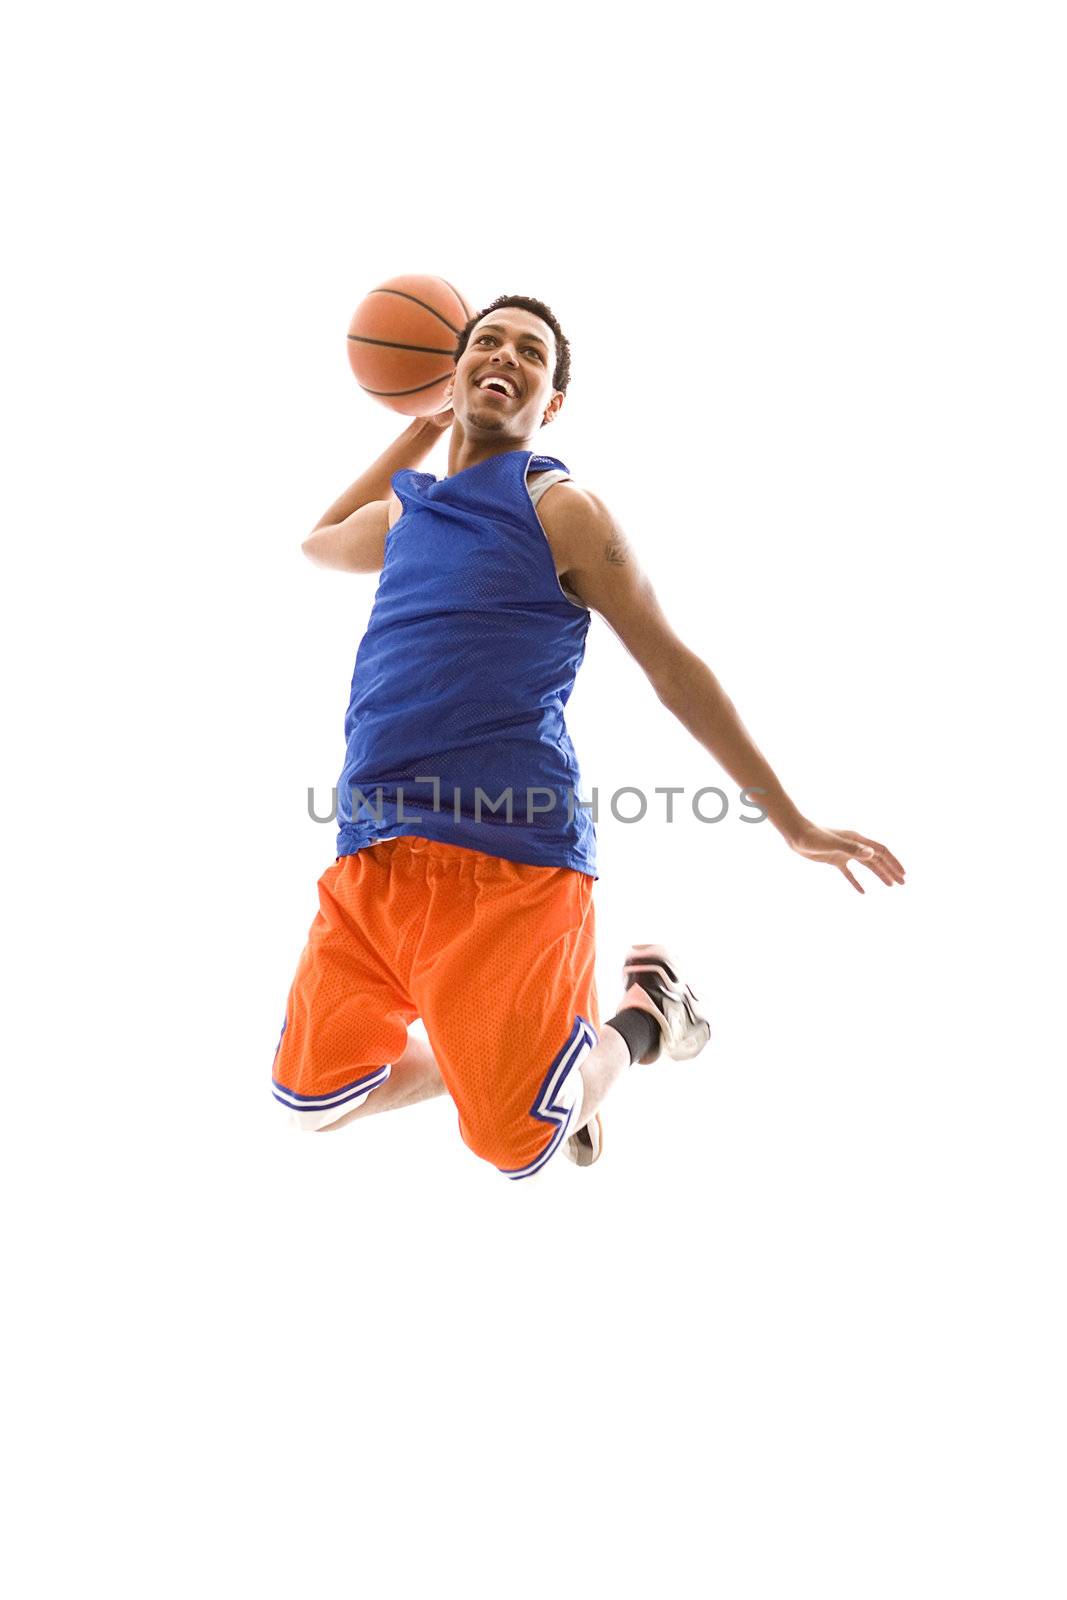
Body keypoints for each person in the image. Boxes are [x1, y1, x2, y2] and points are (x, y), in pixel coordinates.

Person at [272, 293, 905, 1174]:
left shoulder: (560, 509)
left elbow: (673, 669)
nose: (504, 354)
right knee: (311, 1103)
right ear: (452, 377)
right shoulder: (406, 516)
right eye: (483, 342)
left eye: (529, 352)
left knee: (514, 1145)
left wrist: (791, 821)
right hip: (371, 848)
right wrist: (421, 423)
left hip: (509, 854)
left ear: (550, 402)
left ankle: (641, 1021)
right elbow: (316, 541)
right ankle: (534, 1070)